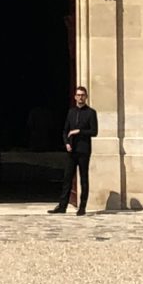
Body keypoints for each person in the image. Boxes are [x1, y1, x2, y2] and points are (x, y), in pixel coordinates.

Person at [52, 85, 97, 216]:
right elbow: (65, 131)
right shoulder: (71, 112)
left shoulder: (91, 113)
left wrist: (79, 131)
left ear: (86, 97)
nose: (80, 97)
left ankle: (82, 207)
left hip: (84, 150)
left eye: (83, 95)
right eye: (78, 95)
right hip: (71, 150)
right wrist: (66, 143)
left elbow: (94, 131)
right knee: (67, 178)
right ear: (75, 97)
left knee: (83, 178)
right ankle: (62, 206)